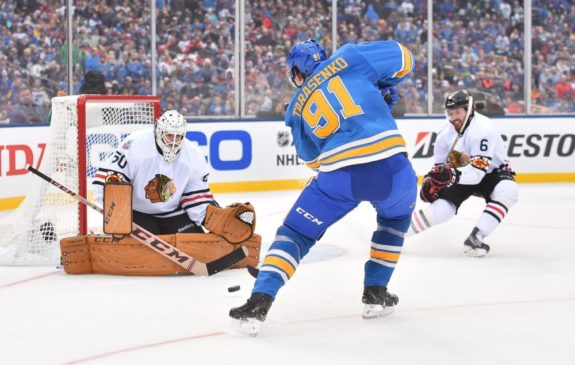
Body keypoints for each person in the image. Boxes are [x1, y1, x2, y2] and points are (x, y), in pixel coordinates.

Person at [229, 39, 418, 335]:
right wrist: (381, 84)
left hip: (339, 176)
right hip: (393, 169)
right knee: (395, 220)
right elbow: (405, 58)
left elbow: (314, 161)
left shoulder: (295, 108)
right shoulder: (350, 57)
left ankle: (259, 301)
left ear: (296, 72)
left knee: (295, 234)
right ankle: (376, 294)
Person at [408, 89, 519, 256]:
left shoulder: (483, 129)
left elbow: (477, 174)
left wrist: (452, 176)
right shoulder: (444, 136)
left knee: (508, 191)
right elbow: (438, 166)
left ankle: (477, 236)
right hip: (462, 173)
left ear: (469, 109)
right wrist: (430, 181)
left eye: (457, 112)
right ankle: (397, 233)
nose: (454, 117)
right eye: (450, 113)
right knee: (443, 209)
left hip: (492, 173)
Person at [92, 110, 217, 235]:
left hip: (173, 213)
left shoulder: (193, 155)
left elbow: (195, 195)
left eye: (178, 136)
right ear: (158, 130)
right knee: (141, 252)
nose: (173, 142)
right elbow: (111, 179)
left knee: (196, 245)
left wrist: (216, 221)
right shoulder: (136, 144)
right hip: (137, 213)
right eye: (169, 135)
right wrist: (118, 214)